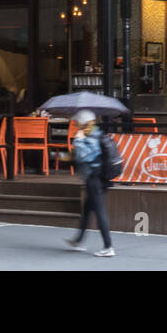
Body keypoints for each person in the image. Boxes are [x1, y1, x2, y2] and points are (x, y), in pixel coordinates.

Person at [63, 110, 115, 257]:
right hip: (98, 178)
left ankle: (108, 246)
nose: (75, 125)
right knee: (87, 210)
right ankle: (78, 241)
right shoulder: (95, 132)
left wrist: (78, 141)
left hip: (94, 179)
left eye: (77, 122)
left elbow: (86, 156)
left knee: (99, 212)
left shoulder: (89, 135)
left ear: (83, 122)